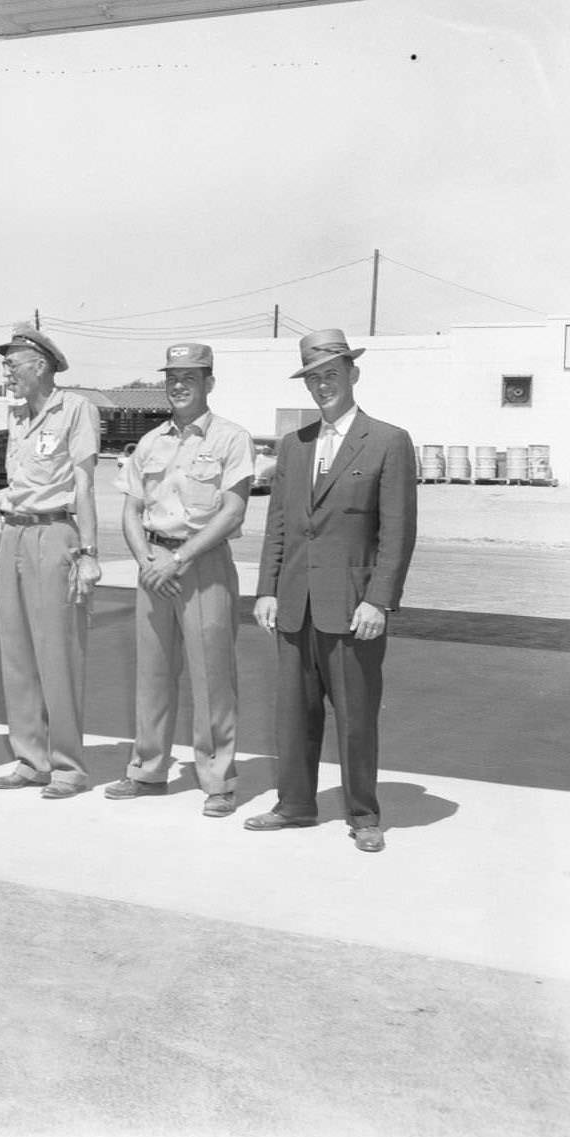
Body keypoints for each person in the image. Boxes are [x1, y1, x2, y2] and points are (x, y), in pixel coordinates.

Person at [247, 328, 418, 853]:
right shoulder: (293, 447)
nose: (323, 386)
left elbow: (397, 531)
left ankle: (364, 814)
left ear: (353, 374)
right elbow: (279, 525)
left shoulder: (388, 441)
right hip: (295, 605)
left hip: (352, 608)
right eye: (314, 378)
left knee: (357, 716)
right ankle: (295, 804)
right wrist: (267, 589)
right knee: (293, 715)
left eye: (331, 374)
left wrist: (379, 600)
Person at [104, 343, 254, 817]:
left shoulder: (231, 439)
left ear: (210, 381)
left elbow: (233, 511)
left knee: (212, 679)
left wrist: (181, 558)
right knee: (151, 676)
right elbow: (130, 508)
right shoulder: (150, 442)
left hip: (201, 567)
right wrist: (146, 557)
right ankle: (148, 770)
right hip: (153, 566)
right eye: (172, 376)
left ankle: (218, 780)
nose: (179, 384)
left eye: (190, 376)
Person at [0, 324, 100, 799]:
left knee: (57, 653)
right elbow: (16, 491)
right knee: (16, 652)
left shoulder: (76, 409)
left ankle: (68, 766)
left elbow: (82, 485)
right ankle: (30, 758)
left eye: (13, 364)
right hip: (17, 534)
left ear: (40, 365)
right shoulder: (18, 418)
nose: (6, 372)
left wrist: (88, 553)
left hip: (54, 534)